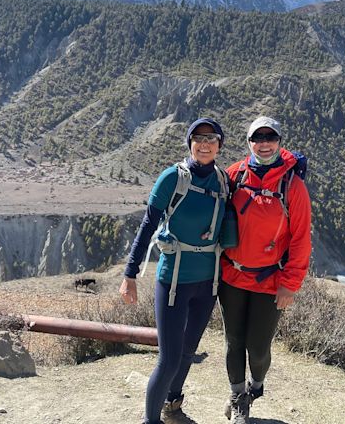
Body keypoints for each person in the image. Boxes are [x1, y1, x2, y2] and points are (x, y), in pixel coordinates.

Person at [120, 117, 229, 424]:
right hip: (174, 281)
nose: (204, 144)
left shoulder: (223, 181)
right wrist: (130, 274)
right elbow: (147, 226)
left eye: (211, 138)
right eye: (198, 138)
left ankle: (172, 405)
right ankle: (150, 421)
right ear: (190, 143)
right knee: (168, 360)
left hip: (208, 283)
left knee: (187, 352)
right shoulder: (172, 177)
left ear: (220, 145)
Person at [219, 116, 312, 424]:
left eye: (270, 137)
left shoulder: (292, 185)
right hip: (232, 275)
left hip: (269, 280)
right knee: (234, 341)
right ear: (249, 143)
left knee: (258, 347)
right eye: (258, 138)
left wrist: (290, 284)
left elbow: (300, 238)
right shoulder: (234, 175)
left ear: (279, 142)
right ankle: (238, 398)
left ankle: (255, 384)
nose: (264, 143)